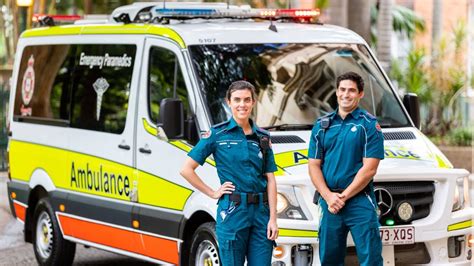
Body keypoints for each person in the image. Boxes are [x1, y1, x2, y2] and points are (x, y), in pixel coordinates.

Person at [180, 80, 279, 266]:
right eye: (237, 100)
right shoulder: (218, 135)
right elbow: (186, 169)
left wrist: (273, 218)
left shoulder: (263, 137)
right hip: (233, 212)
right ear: (229, 102)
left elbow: (271, 179)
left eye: (247, 100)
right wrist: (212, 192)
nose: (242, 104)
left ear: (253, 102)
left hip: (261, 214)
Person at [308, 72, 384, 266]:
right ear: (336, 92)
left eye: (351, 90)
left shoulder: (368, 124)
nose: (346, 94)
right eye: (342, 89)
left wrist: (343, 196)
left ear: (360, 94)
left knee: (371, 259)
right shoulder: (322, 126)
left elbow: (370, 169)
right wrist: (328, 196)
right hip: (329, 202)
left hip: (360, 202)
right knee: (329, 259)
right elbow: (313, 166)